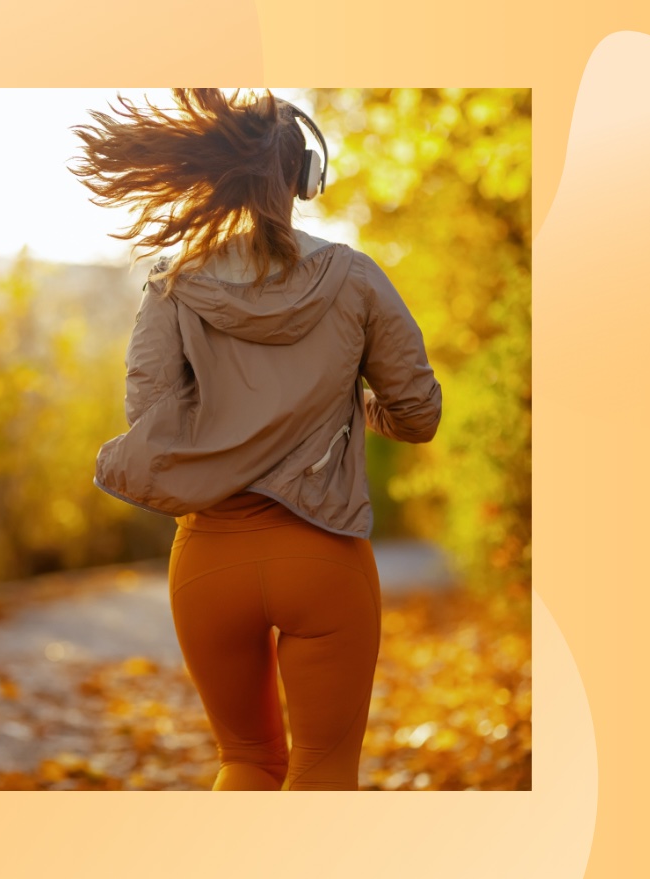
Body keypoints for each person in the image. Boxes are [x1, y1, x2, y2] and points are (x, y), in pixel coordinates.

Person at [68, 89, 443, 790]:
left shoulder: (172, 284)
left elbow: (148, 413)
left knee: (244, 761)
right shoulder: (356, 278)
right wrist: (361, 405)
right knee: (323, 769)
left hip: (210, 562)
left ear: (214, 181)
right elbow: (418, 411)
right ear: (305, 178)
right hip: (323, 559)